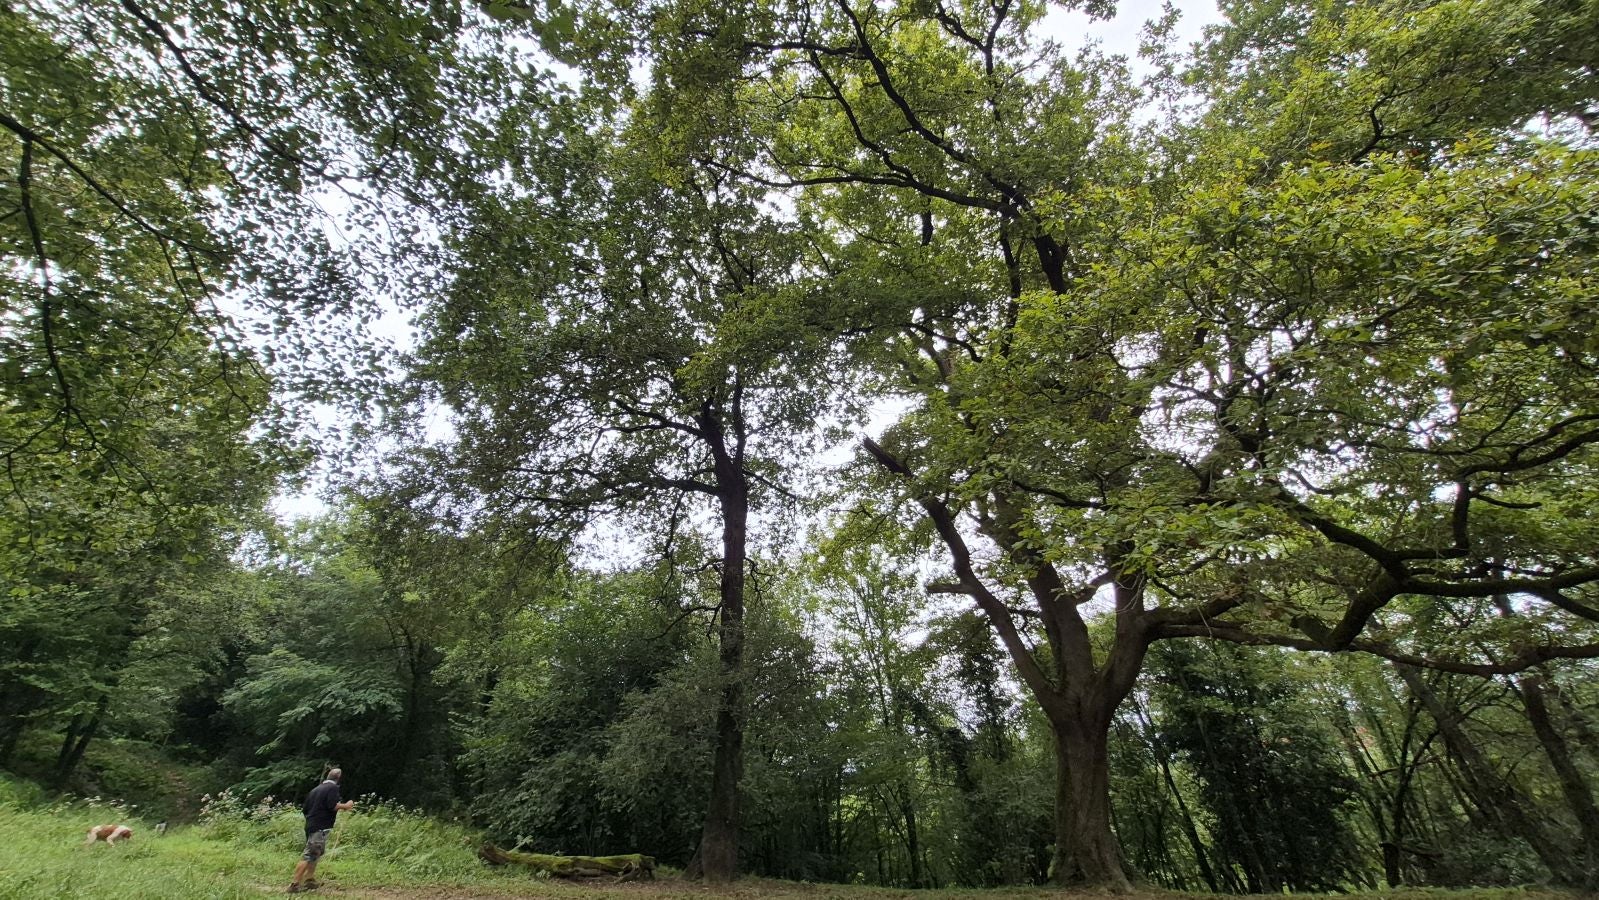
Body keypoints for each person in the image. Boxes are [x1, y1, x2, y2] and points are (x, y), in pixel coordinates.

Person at [288, 768, 355, 893]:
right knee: (310, 854)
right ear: (338, 779)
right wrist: (346, 806)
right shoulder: (333, 788)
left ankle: (309, 880)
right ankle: (294, 884)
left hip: (310, 825)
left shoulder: (315, 789)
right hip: (320, 827)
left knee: (315, 853)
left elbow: (305, 809)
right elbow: (332, 805)